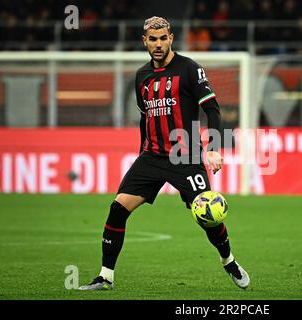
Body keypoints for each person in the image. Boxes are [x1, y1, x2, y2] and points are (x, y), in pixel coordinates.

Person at [78, 16, 249, 291]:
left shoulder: (190, 69)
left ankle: (228, 260)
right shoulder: (141, 77)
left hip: (187, 157)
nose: (158, 44)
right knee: (117, 209)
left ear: (171, 39)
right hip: (152, 157)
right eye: (152, 39)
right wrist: (141, 155)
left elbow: (213, 109)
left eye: (163, 38)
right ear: (145, 41)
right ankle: (105, 277)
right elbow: (146, 119)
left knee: (209, 215)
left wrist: (215, 149)